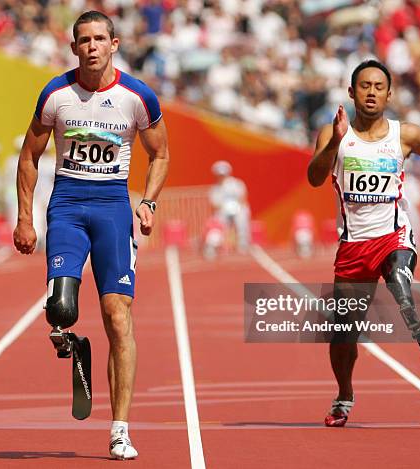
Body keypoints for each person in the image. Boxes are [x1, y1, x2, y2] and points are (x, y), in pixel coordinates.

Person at [13, 11, 169, 460]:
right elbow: (29, 156)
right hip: (66, 206)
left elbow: (160, 154)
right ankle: (71, 340)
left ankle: (120, 428)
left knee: (117, 317)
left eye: (101, 38)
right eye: (85, 40)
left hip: (112, 210)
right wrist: (26, 218)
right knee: (59, 308)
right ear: (74, 47)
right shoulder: (56, 94)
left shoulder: (137, 96)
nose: (93, 47)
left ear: (114, 44)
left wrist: (150, 202)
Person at [307, 60, 420, 427]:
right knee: (343, 333)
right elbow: (313, 178)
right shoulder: (333, 133)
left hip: (394, 237)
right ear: (352, 92)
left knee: (402, 288)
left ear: (389, 94)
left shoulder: (405, 135)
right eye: (365, 86)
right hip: (353, 247)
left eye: (379, 86)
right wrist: (336, 142)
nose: (372, 92)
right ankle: (344, 394)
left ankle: (402, 280)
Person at [203, 160, 251, 259]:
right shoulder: (215, 189)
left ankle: (243, 245)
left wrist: (236, 207)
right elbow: (214, 204)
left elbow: (243, 197)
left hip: (238, 208)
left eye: (223, 174)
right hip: (223, 211)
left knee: (242, 220)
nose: (222, 176)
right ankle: (214, 245)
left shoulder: (237, 184)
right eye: (219, 174)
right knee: (217, 223)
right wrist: (225, 209)